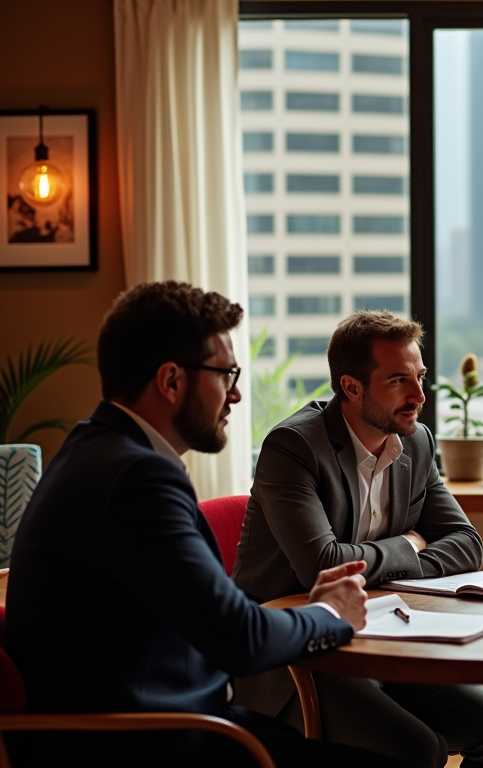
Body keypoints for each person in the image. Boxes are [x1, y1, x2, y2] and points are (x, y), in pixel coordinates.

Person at [5, 281, 407, 768]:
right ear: (171, 381)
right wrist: (331, 616)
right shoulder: (136, 477)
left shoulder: (96, 449)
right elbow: (238, 638)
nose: (236, 394)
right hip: (136, 742)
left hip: (158, 720)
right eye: (225, 374)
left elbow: (214, 615)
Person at [232, 310, 483, 768]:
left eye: (421, 376)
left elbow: (467, 544)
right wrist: (411, 544)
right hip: (298, 658)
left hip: (391, 641)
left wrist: (396, 558)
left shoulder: (417, 442)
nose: (419, 395)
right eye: (398, 381)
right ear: (351, 387)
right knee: (419, 749)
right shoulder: (292, 447)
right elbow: (325, 567)